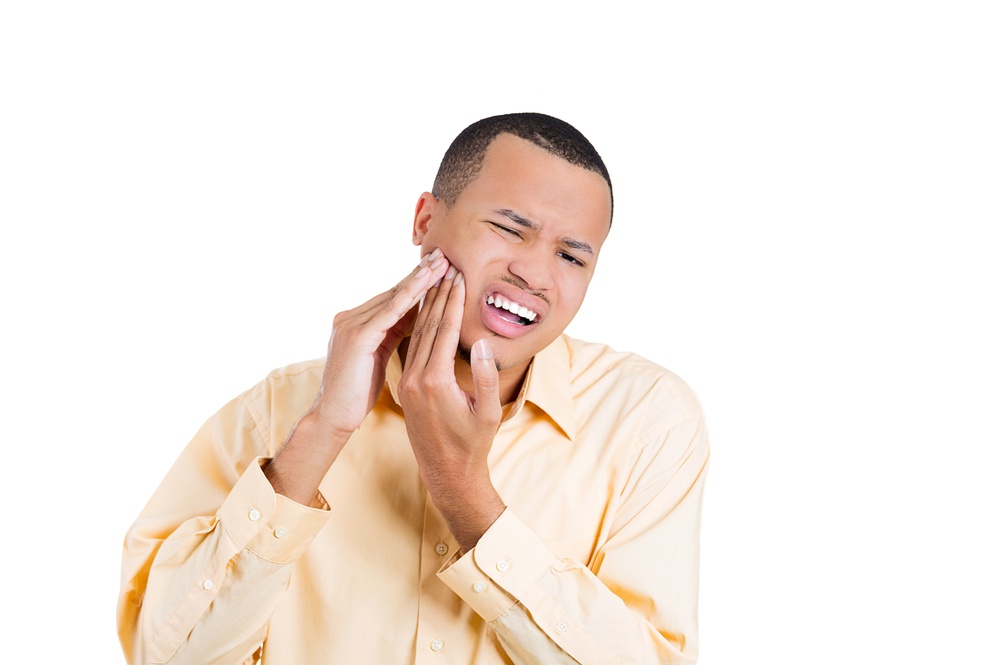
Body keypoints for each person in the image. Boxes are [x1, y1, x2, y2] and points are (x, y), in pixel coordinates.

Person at [118, 112, 710, 664]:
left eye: (571, 257)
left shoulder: (647, 423)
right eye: (509, 228)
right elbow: (165, 654)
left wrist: (466, 495)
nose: (533, 274)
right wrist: (323, 432)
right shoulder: (276, 412)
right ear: (426, 221)